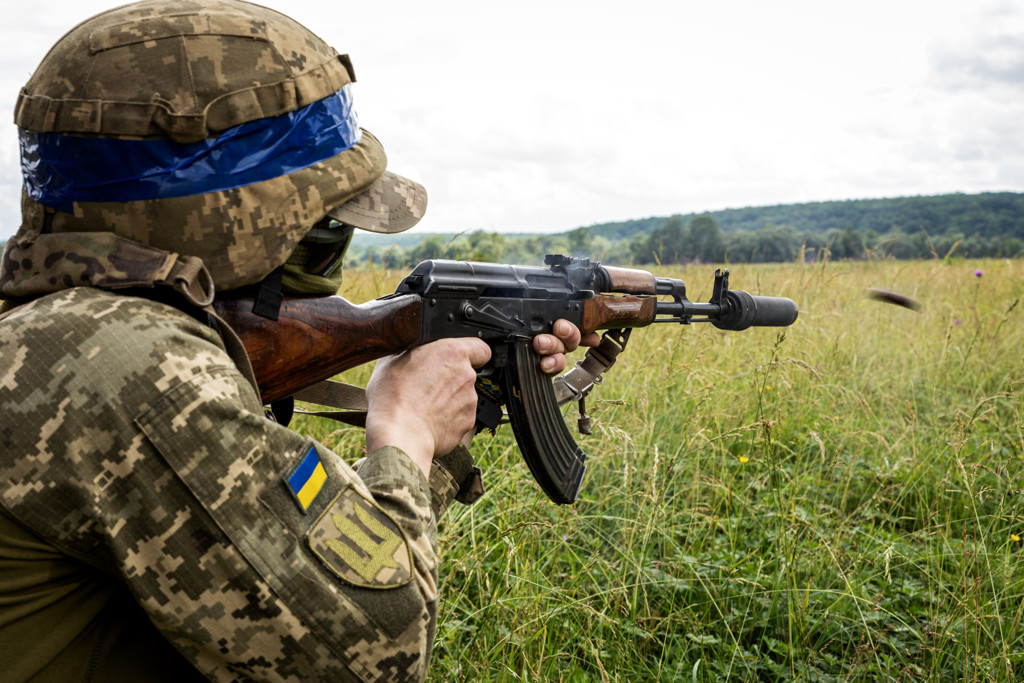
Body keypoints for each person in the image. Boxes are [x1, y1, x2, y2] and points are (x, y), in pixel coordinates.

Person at [0, 1, 592, 680]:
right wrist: (407, 432)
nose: (319, 281)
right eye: (321, 238)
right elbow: (378, 650)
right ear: (223, 232)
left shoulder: (57, 328)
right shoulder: (137, 368)